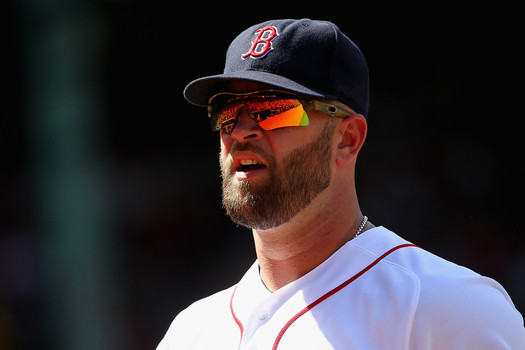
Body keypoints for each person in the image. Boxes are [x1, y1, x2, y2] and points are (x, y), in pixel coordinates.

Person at [157, 19, 525, 349]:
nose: (240, 130)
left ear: (347, 138)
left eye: (273, 108)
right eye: (226, 110)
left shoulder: (443, 308)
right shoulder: (191, 332)